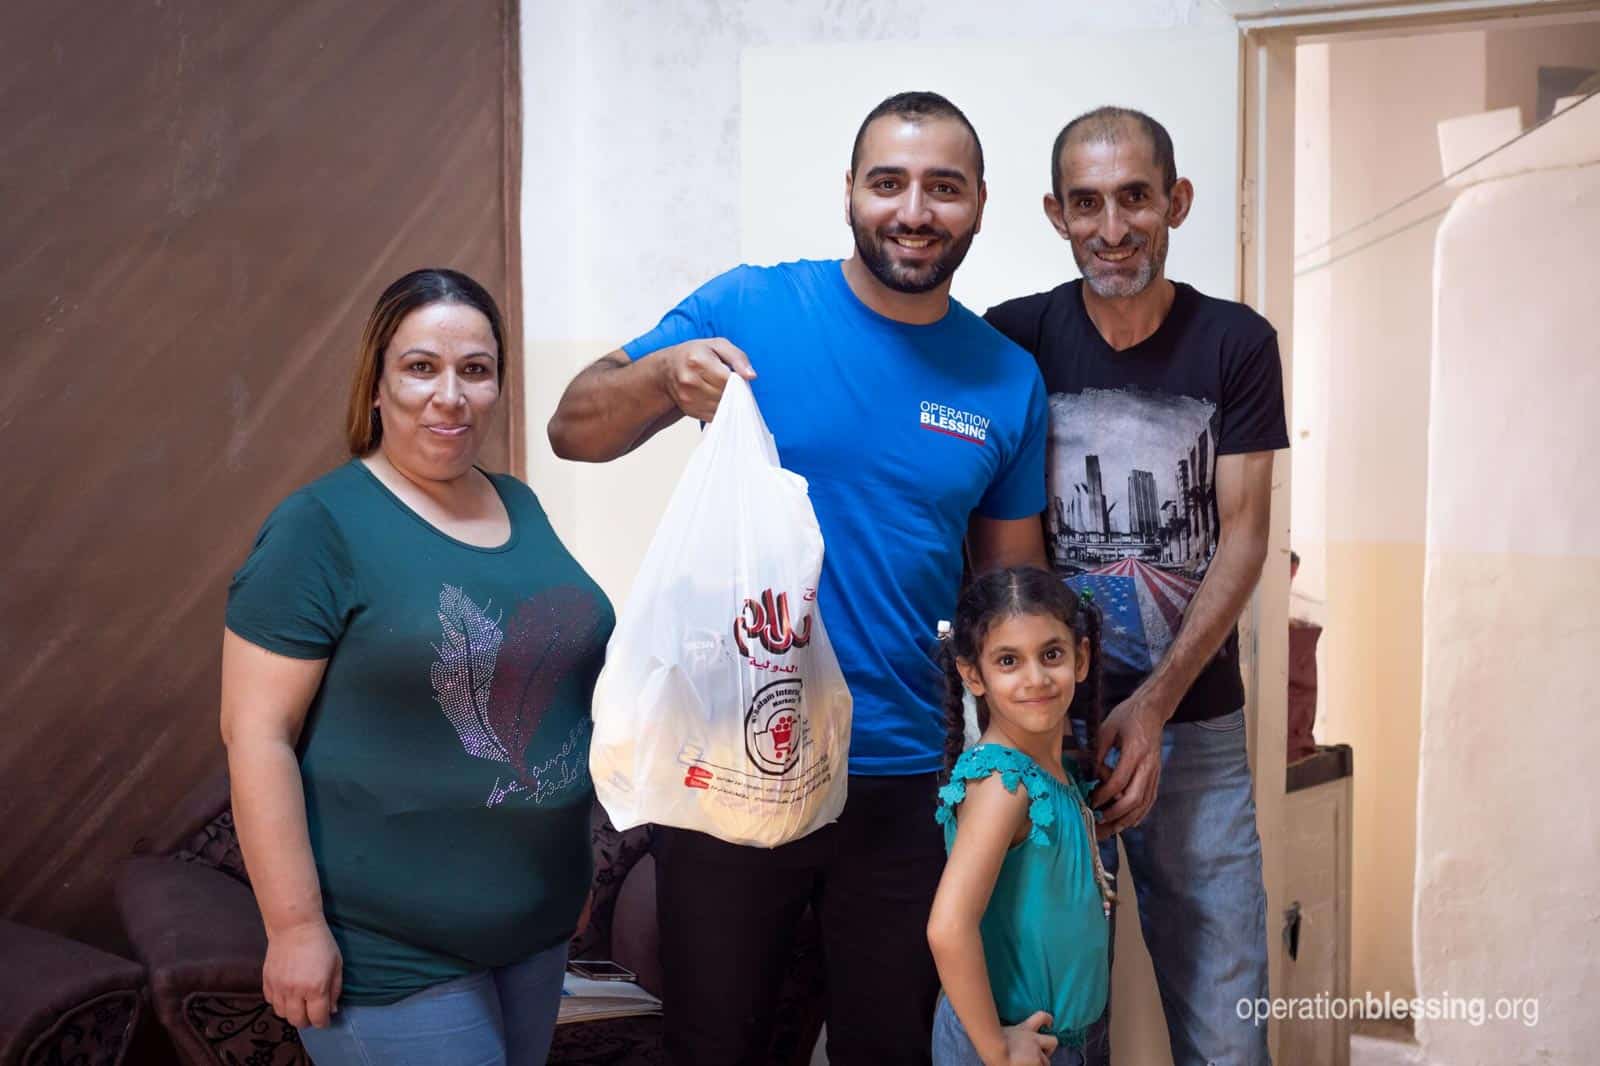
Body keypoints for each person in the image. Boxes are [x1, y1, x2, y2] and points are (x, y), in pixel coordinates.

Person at [547, 91, 1048, 1065]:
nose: (913, 210)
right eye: (887, 182)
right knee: (720, 1044)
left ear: (981, 204)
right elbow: (574, 426)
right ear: (849, 193)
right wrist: (661, 379)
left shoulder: (1004, 377)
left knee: (885, 1046)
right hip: (737, 767)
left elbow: (1012, 597)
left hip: (903, 778)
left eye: (942, 188)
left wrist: (1026, 776)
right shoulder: (753, 307)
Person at [221, 268, 614, 1065]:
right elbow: (255, 732)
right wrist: (293, 929)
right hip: (391, 953)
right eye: (420, 368)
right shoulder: (320, 527)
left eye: (475, 370)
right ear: (376, 385)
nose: (451, 395)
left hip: (534, 933)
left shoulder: (522, 506)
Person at [985, 107, 1288, 1066]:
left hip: (1193, 727)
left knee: (1227, 1011)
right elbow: (996, 540)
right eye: (1087, 204)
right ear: (1055, 213)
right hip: (1044, 730)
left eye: (1133, 199)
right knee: (1054, 1015)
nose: (1111, 228)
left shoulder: (1237, 342)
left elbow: (1243, 536)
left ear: (1176, 202)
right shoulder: (1013, 341)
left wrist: (1152, 707)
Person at [926, 567, 1114, 1066]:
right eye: (1008, 660)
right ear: (973, 676)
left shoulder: (1050, 772)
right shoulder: (1002, 786)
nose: (1035, 678)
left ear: (1081, 657)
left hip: (1068, 1039)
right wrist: (999, 1049)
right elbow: (948, 928)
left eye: (1051, 654)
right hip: (1016, 1044)